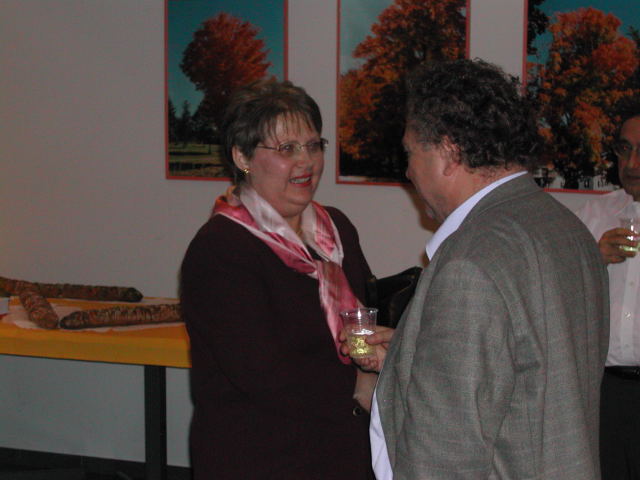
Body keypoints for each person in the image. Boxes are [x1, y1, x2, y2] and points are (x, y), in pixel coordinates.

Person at [362, 59, 610, 479]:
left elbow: (444, 458)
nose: (407, 172)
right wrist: (409, 356)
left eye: (410, 153)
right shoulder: (568, 229)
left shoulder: (470, 263)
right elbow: (530, 377)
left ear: (448, 152)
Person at [180, 79, 375, 479]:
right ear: (242, 156)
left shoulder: (336, 229)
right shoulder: (221, 248)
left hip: (343, 448)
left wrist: (373, 363)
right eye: (287, 149)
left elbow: (359, 321)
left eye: (313, 145)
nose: (307, 161)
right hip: (261, 455)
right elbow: (262, 374)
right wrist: (358, 385)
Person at [575, 98, 640, 480]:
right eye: (624, 149)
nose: (631, 164)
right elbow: (556, 290)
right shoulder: (593, 216)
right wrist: (592, 260)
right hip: (606, 391)